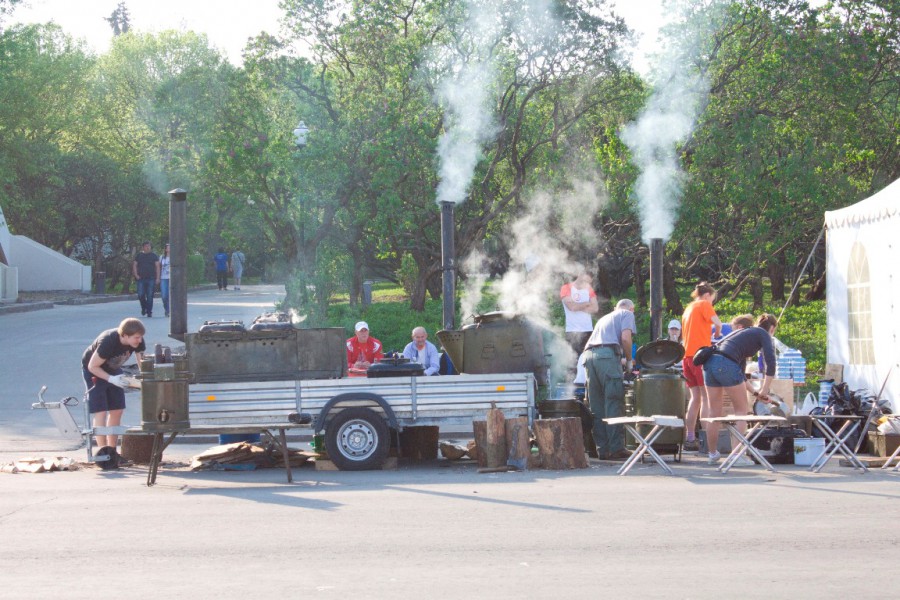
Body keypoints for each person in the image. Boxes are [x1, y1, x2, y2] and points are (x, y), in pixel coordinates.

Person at [702, 313, 778, 466]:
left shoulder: (744, 335)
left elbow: (741, 376)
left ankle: (712, 454)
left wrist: (757, 394)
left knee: (714, 412)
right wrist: (765, 389)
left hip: (710, 363)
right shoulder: (764, 334)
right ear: (772, 328)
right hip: (726, 363)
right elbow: (771, 364)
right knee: (741, 411)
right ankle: (736, 456)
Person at [81, 318, 146, 451]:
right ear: (125, 335)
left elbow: (142, 362)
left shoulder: (138, 340)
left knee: (117, 410)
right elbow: (92, 366)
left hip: (114, 369)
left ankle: (112, 450)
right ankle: (102, 451)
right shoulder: (108, 341)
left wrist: (144, 378)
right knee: (101, 412)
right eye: (136, 338)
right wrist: (110, 379)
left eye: (140, 337)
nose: (139, 340)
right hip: (94, 371)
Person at [583, 298, 636, 460]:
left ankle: (603, 449)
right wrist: (628, 360)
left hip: (589, 357)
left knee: (596, 405)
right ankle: (616, 448)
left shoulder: (604, 318)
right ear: (631, 309)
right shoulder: (626, 314)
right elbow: (626, 339)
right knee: (613, 401)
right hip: (607, 357)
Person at [681, 282, 723, 451]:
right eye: (712, 300)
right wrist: (717, 334)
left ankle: (690, 437)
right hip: (700, 356)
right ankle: (706, 438)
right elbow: (718, 323)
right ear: (707, 296)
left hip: (686, 357)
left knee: (694, 398)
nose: (711, 304)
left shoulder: (688, 308)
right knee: (706, 397)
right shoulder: (704, 304)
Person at [560, 272, 599, 356]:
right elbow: (571, 307)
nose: (588, 283)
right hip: (572, 331)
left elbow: (595, 308)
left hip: (588, 329)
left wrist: (578, 306)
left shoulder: (589, 289)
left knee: (588, 359)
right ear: (581, 275)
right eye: (587, 279)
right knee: (573, 361)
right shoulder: (566, 288)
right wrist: (586, 303)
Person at [132, 241, 160, 318]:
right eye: (146, 246)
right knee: (141, 295)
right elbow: (134, 265)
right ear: (143, 247)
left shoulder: (154, 256)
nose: (148, 247)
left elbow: (157, 267)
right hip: (141, 278)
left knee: (150, 295)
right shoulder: (139, 255)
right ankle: (144, 308)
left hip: (151, 278)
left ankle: (149, 311)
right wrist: (136, 275)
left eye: (149, 246)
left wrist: (157, 278)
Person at [159, 243, 171, 317]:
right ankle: (166, 309)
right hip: (163, 278)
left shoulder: (175, 257)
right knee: (164, 296)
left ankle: (169, 311)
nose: (169, 249)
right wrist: (158, 277)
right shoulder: (162, 257)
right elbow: (159, 267)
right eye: (168, 247)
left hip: (172, 278)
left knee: (171, 296)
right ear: (165, 249)